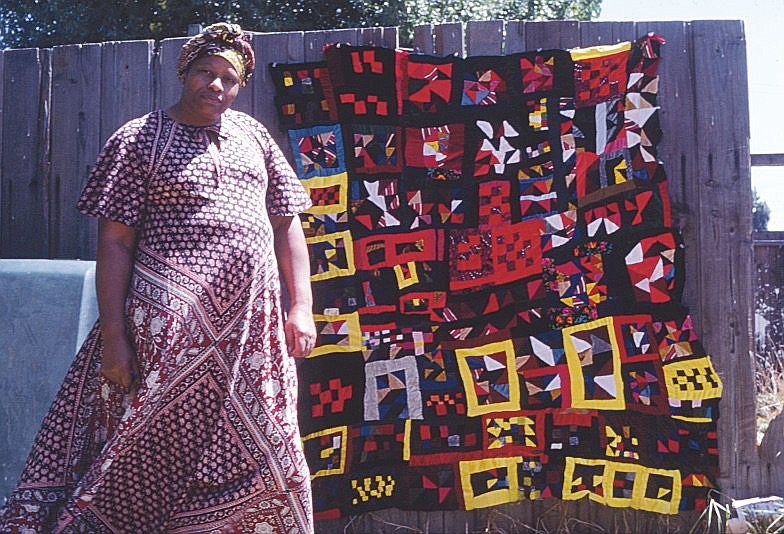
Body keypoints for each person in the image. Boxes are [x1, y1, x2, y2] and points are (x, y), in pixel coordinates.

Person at [0, 23, 316, 533]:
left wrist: (299, 306)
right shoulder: (139, 139)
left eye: (229, 78)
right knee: (144, 442)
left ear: (240, 85)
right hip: (166, 334)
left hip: (250, 336)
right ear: (184, 74)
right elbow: (115, 241)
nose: (216, 86)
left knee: (269, 446)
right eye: (205, 73)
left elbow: (287, 222)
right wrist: (114, 339)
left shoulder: (255, 137)